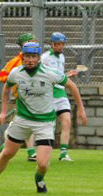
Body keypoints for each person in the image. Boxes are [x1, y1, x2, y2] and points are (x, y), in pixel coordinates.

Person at [0, 42, 87, 193]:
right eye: (27, 56)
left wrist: (81, 109)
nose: (30, 60)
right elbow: (6, 89)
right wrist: (3, 112)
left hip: (44, 122)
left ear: (39, 58)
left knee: (43, 164)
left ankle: (39, 179)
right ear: (22, 57)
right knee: (6, 153)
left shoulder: (50, 73)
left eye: (33, 56)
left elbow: (72, 86)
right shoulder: (16, 73)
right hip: (22, 120)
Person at [0, 33, 37, 162]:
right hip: (22, 96)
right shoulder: (15, 62)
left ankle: (3, 147)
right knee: (30, 124)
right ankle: (31, 152)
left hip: (36, 96)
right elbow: (2, 75)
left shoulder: (36, 59)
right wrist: (14, 81)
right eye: (30, 41)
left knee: (28, 125)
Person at [41, 32, 78, 161]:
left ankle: (63, 153)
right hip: (49, 94)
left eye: (62, 44)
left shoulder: (62, 57)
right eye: (57, 44)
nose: (60, 46)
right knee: (46, 125)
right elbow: (43, 75)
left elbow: (60, 76)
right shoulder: (44, 57)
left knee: (66, 121)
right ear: (51, 44)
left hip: (61, 93)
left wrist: (68, 74)